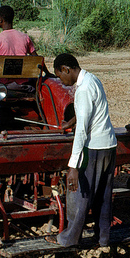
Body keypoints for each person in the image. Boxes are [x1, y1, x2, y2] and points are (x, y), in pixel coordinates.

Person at [46, 53, 117, 247]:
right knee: (103, 196)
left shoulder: (83, 89)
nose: (61, 80)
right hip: (109, 145)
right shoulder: (93, 79)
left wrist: (73, 167)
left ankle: (69, 239)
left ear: (66, 69)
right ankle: (103, 238)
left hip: (93, 148)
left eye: (60, 75)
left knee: (80, 196)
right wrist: (70, 121)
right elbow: (91, 110)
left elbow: (82, 131)